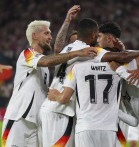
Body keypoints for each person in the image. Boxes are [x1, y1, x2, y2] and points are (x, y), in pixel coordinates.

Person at [38, 17, 139, 147]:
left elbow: (56, 48)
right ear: (92, 35)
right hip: (61, 108)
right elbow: (123, 58)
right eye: (97, 36)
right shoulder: (90, 52)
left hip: (61, 110)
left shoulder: (67, 50)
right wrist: (136, 52)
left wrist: (67, 20)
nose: (97, 40)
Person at [0, 8, 97, 146]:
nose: (50, 37)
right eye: (46, 33)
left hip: (36, 122)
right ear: (34, 36)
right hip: (18, 119)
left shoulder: (44, 66)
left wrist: (67, 20)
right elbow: (48, 60)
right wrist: (77, 52)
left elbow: (54, 56)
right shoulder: (27, 54)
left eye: (50, 33)